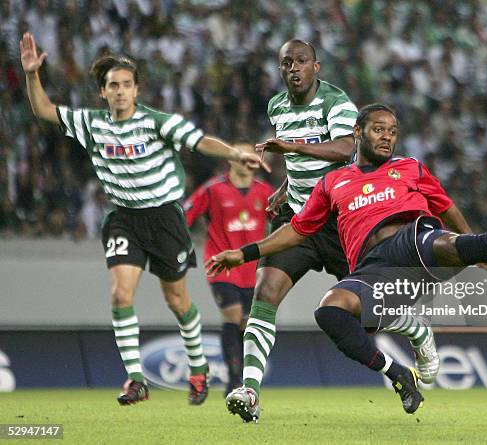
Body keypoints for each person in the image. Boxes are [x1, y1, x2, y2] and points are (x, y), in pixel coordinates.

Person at [207, 104, 487, 417]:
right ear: (358, 132)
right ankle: (397, 372)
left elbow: (445, 207)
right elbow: (298, 230)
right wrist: (245, 252)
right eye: (378, 130)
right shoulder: (334, 182)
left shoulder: (410, 167)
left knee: (447, 244)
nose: (386, 137)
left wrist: (475, 248)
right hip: (374, 269)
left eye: (392, 132)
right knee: (330, 311)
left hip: (414, 240)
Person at [19, 32, 261, 406]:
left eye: (126, 85)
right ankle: (135, 379)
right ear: (103, 92)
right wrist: (33, 74)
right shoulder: (92, 123)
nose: (119, 91)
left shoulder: (158, 122)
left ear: (136, 90)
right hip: (123, 218)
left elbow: (199, 141)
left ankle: (198, 368)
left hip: (165, 218)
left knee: (177, 301)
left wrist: (233, 154)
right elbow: (45, 111)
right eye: (113, 85)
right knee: (120, 292)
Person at [223, 39, 359, 421]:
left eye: (301, 61)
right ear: (280, 69)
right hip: (298, 219)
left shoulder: (337, 102)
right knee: (264, 295)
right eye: (286, 63)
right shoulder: (277, 106)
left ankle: (416, 333)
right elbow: (301, 163)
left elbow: (346, 149)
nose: (293, 68)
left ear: (316, 67)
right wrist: (285, 190)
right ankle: (250, 390)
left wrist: (291, 146)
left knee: (373, 307)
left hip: (338, 220)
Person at [183, 143, 273, 395]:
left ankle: (245, 381)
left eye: (250, 157)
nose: (246, 162)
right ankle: (234, 380)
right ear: (230, 159)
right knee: (233, 316)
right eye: (240, 156)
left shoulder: (265, 192)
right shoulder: (213, 190)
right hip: (221, 265)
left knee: (248, 325)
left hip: (253, 270)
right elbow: (185, 216)